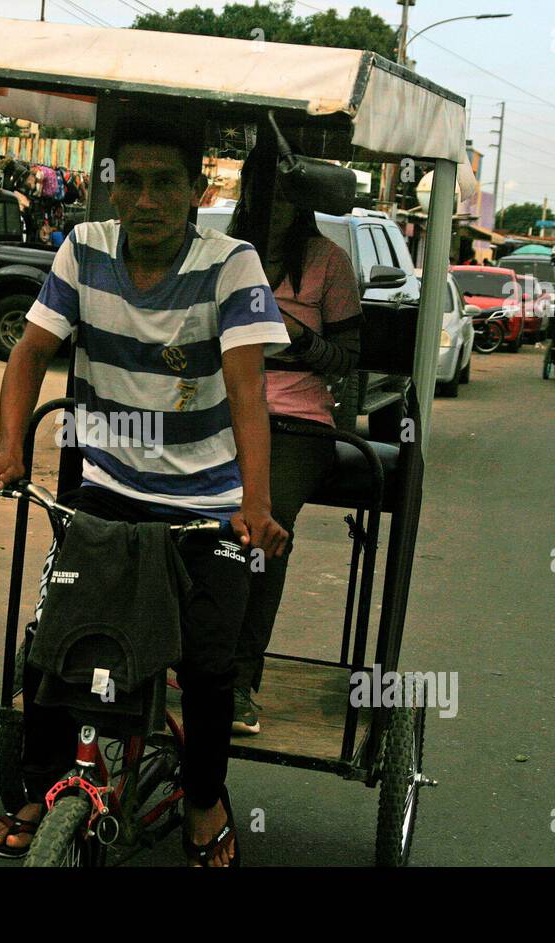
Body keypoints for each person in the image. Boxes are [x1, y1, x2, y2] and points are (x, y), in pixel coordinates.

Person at [0, 118, 290, 867]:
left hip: (209, 503)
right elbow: (30, 351)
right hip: (108, 492)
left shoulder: (231, 264)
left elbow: (248, 392)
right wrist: (9, 448)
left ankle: (205, 804)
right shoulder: (82, 250)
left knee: (209, 667)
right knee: (54, 647)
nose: (147, 199)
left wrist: (256, 503)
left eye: (166, 183)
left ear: (197, 191)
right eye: (131, 182)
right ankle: (42, 791)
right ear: (111, 187)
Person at [227, 145, 361, 735]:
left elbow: (348, 361)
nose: (276, 206)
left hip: (299, 422)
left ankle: (237, 683)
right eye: (265, 192)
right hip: (221, 412)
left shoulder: (329, 263)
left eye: (287, 194)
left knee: (265, 523)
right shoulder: (223, 257)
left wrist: (301, 341)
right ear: (249, 195)